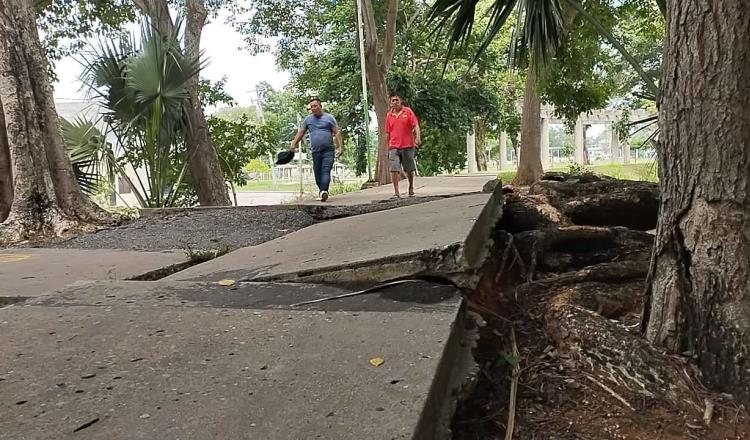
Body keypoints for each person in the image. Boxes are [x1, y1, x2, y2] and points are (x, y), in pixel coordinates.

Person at [290, 98, 344, 202]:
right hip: (315, 151)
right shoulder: (308, 120)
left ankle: (324, 190)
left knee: (325, 170)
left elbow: (336, 132)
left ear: (320, 106)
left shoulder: (329, 118)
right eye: (311, 107)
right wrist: (294, 143)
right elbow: (301, 132)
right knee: (317, 172)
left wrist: (340, 146)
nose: (313, 108)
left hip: (328, 150)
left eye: (315, 106)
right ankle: (322, 191)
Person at [385, 93, 421, 198]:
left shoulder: (408, 112)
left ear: (401, 101)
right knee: (394, 168)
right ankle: (396, 191)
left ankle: (411, 187)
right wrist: (387, 146)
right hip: (394, 146)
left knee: (409, 168)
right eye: (393, 101)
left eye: (397, 100)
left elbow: (416, 125)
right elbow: (387, 132)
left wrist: (418, 138)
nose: (395, 102)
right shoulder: (389, 115)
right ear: (390, 103)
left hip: (407, 145)